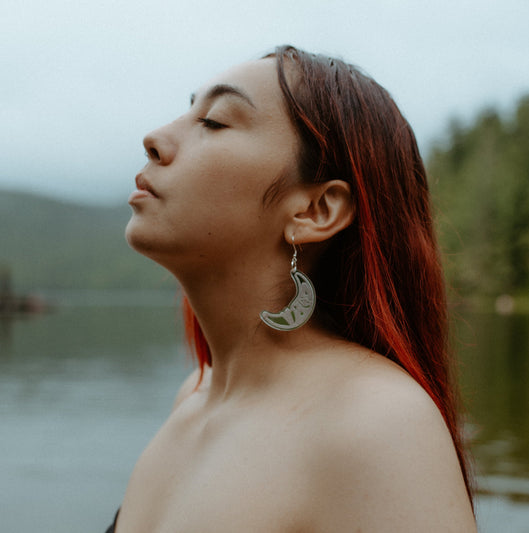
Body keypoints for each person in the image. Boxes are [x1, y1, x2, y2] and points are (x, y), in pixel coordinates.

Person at [114, 45, 477, 532]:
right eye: (188, 111)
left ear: (315, 211)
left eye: (216, 121)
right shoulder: (194, 395)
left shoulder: (378, 422)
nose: (155, 138)